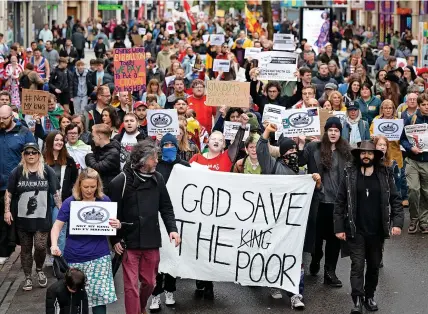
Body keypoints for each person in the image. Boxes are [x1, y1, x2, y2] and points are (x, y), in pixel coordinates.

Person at [108, 140, 181, 314]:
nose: (157, 161)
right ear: (142, 160)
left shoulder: (158, 178)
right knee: (131, 286)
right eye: (154, 157)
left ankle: (140, 307)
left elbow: (166, 207)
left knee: (150, 283)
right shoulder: (121, 181)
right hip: (129, 241)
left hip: (151, 239)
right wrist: (115, 239)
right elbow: (112, 214)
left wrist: (172, 229)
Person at [257, 123, 321, 309]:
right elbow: (262, 150)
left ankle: (296, 294)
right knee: (275, 255)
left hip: (295, 225)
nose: (292, 153)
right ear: (282, 154)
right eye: (288, 151)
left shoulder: (302, 174)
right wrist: (267, 132)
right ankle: (275, 283)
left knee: (295, 259)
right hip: (276, 222)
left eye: (294, 150)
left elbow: (314, 195)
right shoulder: (273, 167)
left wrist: (316, 183)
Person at [334, 140, 403, 314]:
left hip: (377, 230)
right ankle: (357, 299)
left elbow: (395, 199)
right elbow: (340, 201)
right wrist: (339, 227)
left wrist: (397, 223)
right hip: (355, 229)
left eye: (370, 153)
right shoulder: (350, 173)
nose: (366, 156)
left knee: (373, 266)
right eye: (363, 153)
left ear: (375, 156)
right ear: (358, 155)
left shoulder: (384, 174)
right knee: (357, 265)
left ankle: (369, 296)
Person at [51, 168, 120, 314]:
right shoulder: (70, 202)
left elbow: (114, 224)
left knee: (100, 299)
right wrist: (54, 244)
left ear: (98, 185)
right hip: (75, 257)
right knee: (74, 298)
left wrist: (117, 224)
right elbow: (57, 226)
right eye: (86, 187)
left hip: (100, 257)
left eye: (93, 187)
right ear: (79, 185)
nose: (89, 190)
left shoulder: (105, 201)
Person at [299, 117, 352, 287]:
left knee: (335, 238)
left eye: (336, 130)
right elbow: (299, 163)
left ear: (340, 133)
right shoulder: (314, 147)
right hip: (319, 201)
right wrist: (301, 144)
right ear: (326, 131)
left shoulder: (347, 151)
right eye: (330, 130)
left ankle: (330, 272)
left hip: (338, 204)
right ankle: (315, 258)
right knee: (317, 238)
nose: (333, 133)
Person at [5, 142, 61, 291]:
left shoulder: (47, 171)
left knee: (41, 246)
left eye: (33, 152)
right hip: (22, 219)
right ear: (23, 155)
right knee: (26, 248)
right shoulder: (17, 172)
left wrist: (61, 210)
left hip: (42, 218)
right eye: (27, 152)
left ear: (39, 154)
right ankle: (28, 276)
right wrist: (7, 211)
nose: (30, 155)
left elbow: (56, 193)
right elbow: (9, 192)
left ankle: (39, 269)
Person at [149, 133, 190, 311]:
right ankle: (155, 294)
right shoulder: (155, 167)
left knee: (173, 255)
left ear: (176, 145)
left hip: (178, 218)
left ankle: (170, 291)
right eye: (164, 145)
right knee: (158, 258)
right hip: (158, 217)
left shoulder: (184, 166)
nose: (168, 148)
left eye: (171, 145)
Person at [0, 105, 36, 264]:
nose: (1, 121)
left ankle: (25, 255)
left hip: (19, 186)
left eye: (4, 118)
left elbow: (33, 157)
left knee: (20, 222)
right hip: (0, 186)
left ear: (12, 117)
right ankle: (3, 251)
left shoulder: (24, 133)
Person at [400, 93, 428, 233]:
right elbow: (403, 139)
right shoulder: (412, 120)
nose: (426, 107)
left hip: (427, 162)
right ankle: (413, 219)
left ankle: (424, 221)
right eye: (423, 104)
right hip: (412, 160)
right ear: (419, 105)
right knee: (413, 189)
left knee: (425, 192)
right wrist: (411, 148)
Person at [85, 124, 120, 196]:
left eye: (93, 136)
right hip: (101, 188)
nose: (92, 139)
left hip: (109, 191)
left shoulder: (113, 153)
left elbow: (97, 168)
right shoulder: (98, 149)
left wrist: (88, 155)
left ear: (99, 136)